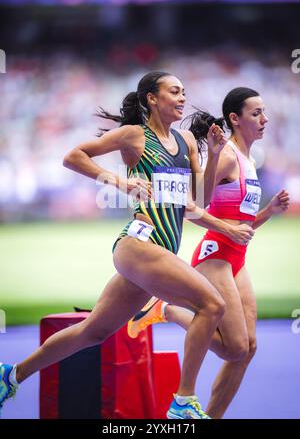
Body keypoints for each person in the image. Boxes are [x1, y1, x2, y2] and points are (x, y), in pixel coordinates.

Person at [0, 73, 254, 419]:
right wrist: (121, 182)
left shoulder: (188, 143)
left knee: (94, 331)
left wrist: (213, 152)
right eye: (174, 91)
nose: (182, 98)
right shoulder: (136, 136)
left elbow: (200, 200)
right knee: (212, 303)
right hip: (139, 243)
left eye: (184, 93)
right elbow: (73, 157)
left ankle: (12, 375)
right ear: (152, 98)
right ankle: (183, 401)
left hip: (160, 252)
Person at [127, 87, 290, 418]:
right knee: (235, 348)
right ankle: (168, 310)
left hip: (236, 257)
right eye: (256, 113)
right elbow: (191, 205)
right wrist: (227, 227)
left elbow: (242, 228)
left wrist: (269, 211)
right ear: (235, 119)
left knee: (249, 348)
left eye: (264, 112)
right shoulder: (228, 154)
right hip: (215, 255)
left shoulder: (249, 160)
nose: (265, 118)